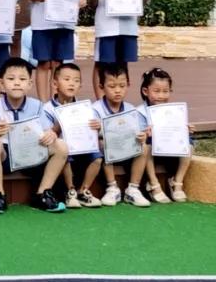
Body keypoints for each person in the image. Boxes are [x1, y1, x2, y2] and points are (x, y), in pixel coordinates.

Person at [0, 58, 69, 213]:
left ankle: (43, 193)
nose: (17, 83)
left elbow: (47, 130)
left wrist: (50, 134)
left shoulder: (37, 105)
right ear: (1, 83)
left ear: (30, 84)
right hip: (6, 156)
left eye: (22, 79)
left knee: (61, 146)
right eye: (11, 79)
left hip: (32, 153)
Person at [91, 62, 150, 208]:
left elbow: (137, 131)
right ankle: (112, 188)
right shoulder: (95, 109)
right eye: (112, 86)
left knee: (144, 147)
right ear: (101, 87)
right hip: (107, 153)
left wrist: (142, 136)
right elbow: (91, 135)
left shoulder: (131, 109)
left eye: (122, 86)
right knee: (104, 142)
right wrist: (99, 130)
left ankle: (133, 189)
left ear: (128, 85)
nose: (117, 91)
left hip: (126, 150)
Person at [47, 62, 102, 209]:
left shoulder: (85, 108)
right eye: (67, 79)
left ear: (80, 86)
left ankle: (83, 191)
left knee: (97, 157)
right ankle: (70, 191)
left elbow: (94, 132)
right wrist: (60, 123)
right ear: (55, 84)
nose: (72, 83)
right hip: (62, 150)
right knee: (64, 154)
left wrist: (97, 128)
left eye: (76, 81)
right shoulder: (47, 108)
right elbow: (47, 135)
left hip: (82, 147)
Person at [140, 68, 193, 203]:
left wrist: (184, 130)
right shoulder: (139, 112)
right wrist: (144, 133)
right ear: (145, 91)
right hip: (149, 154)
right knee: (145, 144)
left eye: (166, 91)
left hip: (169, 151)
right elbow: (136, 135)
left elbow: (176, 132)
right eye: (157, 91)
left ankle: (177, 182)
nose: (161, 96)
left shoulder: (173, 111)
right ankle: (153, 183)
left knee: (188, 142)